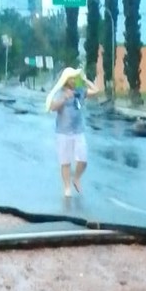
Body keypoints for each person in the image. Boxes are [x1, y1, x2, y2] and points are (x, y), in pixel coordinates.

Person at [45, 66, 99, 196]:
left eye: (76, 78)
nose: (75, 81)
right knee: (65, 162)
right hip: (63, 132)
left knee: (83, 160)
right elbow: (52, 107)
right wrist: (64, 98)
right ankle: (67, 187)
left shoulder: (80, 91)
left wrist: (85, 80)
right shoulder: (60, 92)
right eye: (72, 79)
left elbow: (96, 91)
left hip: (78, 131)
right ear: (67, 80)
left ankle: (76, 178)